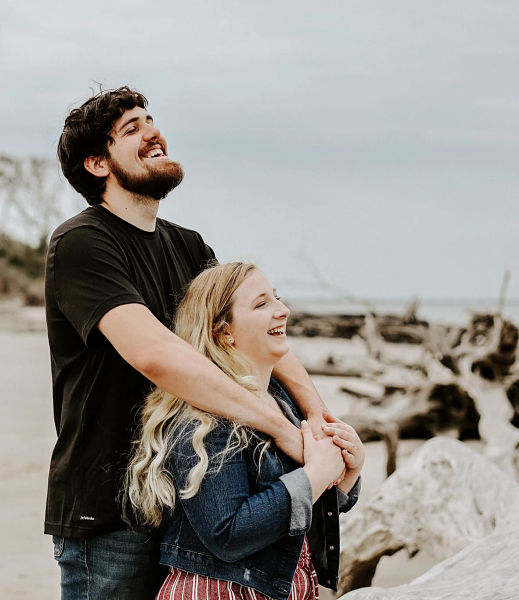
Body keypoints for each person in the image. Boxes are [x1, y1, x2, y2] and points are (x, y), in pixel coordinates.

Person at [46, 86, 336, 599]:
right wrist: (279, 428)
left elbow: (250, 333)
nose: (154, 133)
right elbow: (156, 355)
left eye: (150, 120)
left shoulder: (189, 245)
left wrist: (316, 418)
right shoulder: (82, 242)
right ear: (97, 164)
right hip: (111, 509)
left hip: (189, 495)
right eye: (131, 129)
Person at [127, 262, 364, 599]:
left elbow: (299, 512)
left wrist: (347, 473)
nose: (283, 311)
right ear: (224, 332)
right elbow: (227, 533)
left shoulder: (286, 406)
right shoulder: (205, 420)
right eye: (262, 304)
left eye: (278, 299)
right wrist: (315, 474)